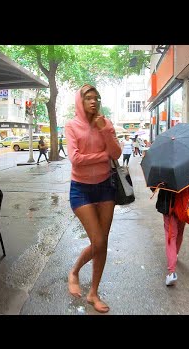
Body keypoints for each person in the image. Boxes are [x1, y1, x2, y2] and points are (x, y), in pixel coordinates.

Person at [65, 84, 122, 313]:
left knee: (103, 242)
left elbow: (116, 154)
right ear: (80, 101)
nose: (93, 101)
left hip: (105, 188)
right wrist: (103, 156)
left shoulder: (105, 124)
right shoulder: (72, 125)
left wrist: (105, 131)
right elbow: (75, 159)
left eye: (96, 98)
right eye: (88, 98)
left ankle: (93, 293)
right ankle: (75, 271)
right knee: (97, 241)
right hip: (81, 190)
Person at [153, 183, 189, 286]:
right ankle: (175, 255)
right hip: (184, 205)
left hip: (170, 206)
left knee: (170, 236)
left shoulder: (164, 168)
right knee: (180, 232)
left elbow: (154, 187)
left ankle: (172, 272)